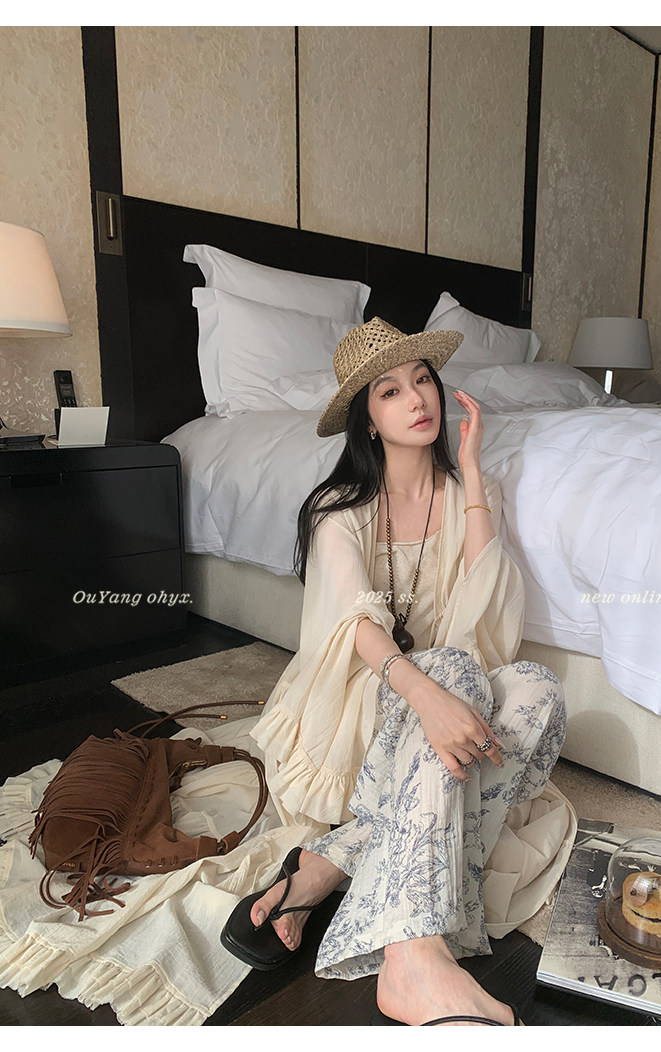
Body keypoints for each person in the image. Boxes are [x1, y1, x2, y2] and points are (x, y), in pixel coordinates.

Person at [223, 317, 574, 1025]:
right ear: (368, 420)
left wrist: (470, 471)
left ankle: (331, 863)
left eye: (423, 381)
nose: (416, 399)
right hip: (361, 697)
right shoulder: (338, 511)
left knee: (537, 690)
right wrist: (430, 692)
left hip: (448, 691)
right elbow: (352, 626)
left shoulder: (467, 491)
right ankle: (413, 955)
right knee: (453, 673)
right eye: (390, 391)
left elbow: (487, 615)